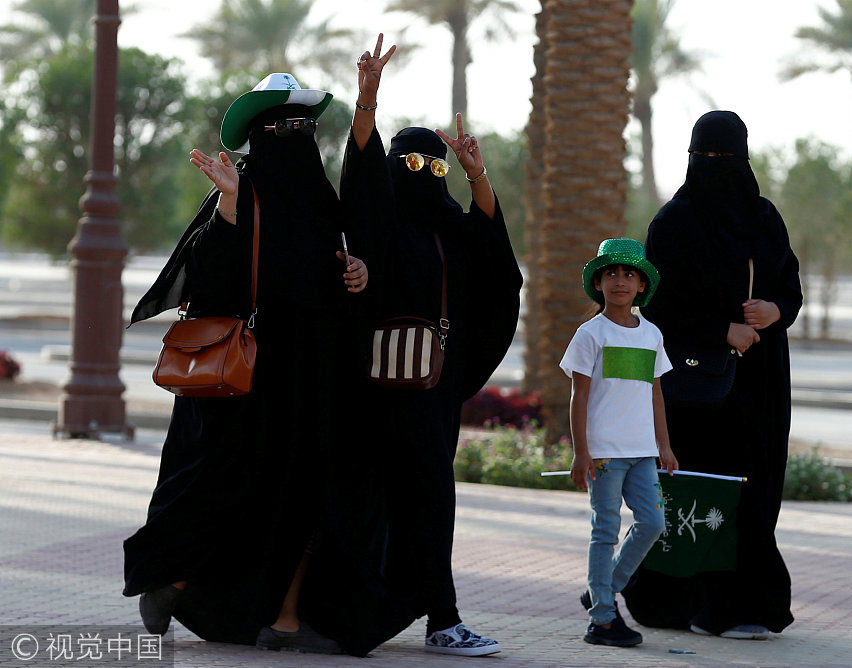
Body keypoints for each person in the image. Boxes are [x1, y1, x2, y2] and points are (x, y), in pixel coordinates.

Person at [122, 72, 416, 656]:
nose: (299, 136)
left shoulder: (319, 199)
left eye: (306, 126)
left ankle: (286, 618)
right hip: (250, 386)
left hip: (314, 381)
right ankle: (175, 581)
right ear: (260, 135)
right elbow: (208, 279)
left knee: (314, 497)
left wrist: (357, 272)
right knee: (234, 486)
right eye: (285, 127)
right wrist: (231, 208)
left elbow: (359, 230)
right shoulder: (241, 189)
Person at [340, 35, 523, 657]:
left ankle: (435, 618)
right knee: (378, 499)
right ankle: (404, 617)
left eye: (435, 166)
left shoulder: (450, 228)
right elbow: (361, 176)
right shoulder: (382, 219)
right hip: (375, 389)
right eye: (411, 163)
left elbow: (496, 256)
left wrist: (475, 172)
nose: (423, 173)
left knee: (430, 501)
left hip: (431, 390)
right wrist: (367, 101)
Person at [621, 110, 803, 640]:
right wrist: (722, 330)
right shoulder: (673, 223)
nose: (717, 166)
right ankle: (706, 606)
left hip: (761, 380)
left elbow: (790, 285)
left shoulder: (765, 218)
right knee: (701, 491)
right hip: (698, 386)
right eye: (708, 157)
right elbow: (657, 306)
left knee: (755, 488)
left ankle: (745, 604)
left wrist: (774, 311)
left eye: (727, 157)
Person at [559, 238, 678, 648]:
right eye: (611, 273)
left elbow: (656, 394)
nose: (620, 280)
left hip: (643, 452)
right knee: (606, 530)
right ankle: (603, 621)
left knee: (653, 523)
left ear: (642, 285)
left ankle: (602, 591)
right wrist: (581, 452)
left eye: (629, 274)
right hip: (604, 454)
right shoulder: (590, 334)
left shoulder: (652, 335)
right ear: (599, 283)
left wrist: (664, 445)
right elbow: (579, 397)